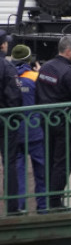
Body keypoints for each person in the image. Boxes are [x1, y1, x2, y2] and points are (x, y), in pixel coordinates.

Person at [35, 35, 71, 212]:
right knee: (62, 164)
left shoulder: (46, 68)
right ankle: (55, 203)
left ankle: (48, 201)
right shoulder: (69, 72)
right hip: (64, 123)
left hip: (45, 121)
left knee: (49, 162)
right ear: (68, 51)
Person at [9, 45, 46, 214]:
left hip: (14, 130)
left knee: (18, 171)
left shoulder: (8, 76)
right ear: (29, 60)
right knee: (41, 170)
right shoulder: (35, 77)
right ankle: (43, 206)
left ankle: (20, 206)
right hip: (34, 130)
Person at [0, 33, 24, 215]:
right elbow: (14, 97)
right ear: (2, 46)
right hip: (5, 123)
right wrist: (15, 119)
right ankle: (12, 208)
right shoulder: (7, 67)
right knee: (10, 163)